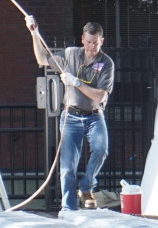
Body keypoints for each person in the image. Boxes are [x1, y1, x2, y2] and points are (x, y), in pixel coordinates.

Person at [26, 15, 115, 213]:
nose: (92, 47)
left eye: (96, 43)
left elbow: (99, 96)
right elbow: (42, 58)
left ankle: (86, 187)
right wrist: (34, 33)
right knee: (67, 167)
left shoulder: (106, 63)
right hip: (71, 117)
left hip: (94, 115)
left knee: (101, 150)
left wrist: (76, 82)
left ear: (102, 41)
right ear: (82, 39)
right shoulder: (70, 54)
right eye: (89, 42)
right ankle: (68, 209)